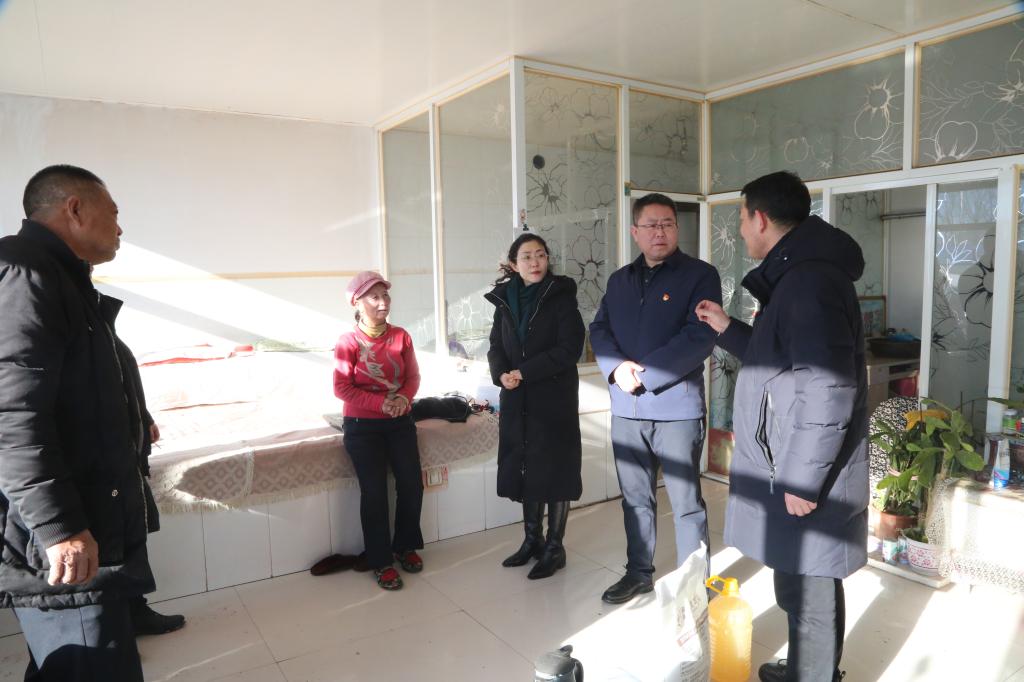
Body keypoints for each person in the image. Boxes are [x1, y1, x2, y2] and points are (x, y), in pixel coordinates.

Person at [695, 171, 868, 682]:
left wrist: (801, 480)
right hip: (792, 459)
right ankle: (804, 669)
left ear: (760, 219)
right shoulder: (795, 278)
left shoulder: (809, 283)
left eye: (741, 218)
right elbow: (779, 359)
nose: (741, 230)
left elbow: (827, 387)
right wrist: (727, 328)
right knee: (797, 578)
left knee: (812, 588)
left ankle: (814, 675)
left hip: (805, 468)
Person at [0, 165, 155, 680]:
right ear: (75, 209)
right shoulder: (28, 277)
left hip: (88, 519)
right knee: (91, 663)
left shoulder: (62, 279)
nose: (120, 228)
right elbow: (13, 418)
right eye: (114, 214)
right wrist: (59, 526)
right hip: (66, 539)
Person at [589, 193, 722, 604]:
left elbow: (700, 336)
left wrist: (642, 375)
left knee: (686, 502)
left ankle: (693, 585)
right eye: (650, 225)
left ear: (677, 229)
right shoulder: (619, 281)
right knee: (635, 499)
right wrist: (616, 369)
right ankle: (638, 573)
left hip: (676, 410)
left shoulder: (700, 275)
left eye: (667, 224)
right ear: (635, 231)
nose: (659, 232)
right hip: (627, 410)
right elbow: (599, 329)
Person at [485, 234, 585, 580]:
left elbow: (569, 349)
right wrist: (501, 374)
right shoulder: (504, 300)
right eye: (526, 256)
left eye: (540, 255)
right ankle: (532, 540)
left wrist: (524, 372)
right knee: (527, 467)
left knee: (556, 469)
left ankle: (555, 548)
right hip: (517, 397)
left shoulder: (561, 297)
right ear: (514, 264)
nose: (535, 262)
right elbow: (495, 346)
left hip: (553, 399)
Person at [334, 271, 424, 591]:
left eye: (385, 295)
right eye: (374, 296)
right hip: (362, 426)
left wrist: (402, 398)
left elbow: (412, 378)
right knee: (374, 493)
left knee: (412, 484)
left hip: (399, 420)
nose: (383, 301)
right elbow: (342, 388)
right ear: (357, 303)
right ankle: (381, 560)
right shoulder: (348, 342)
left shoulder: (401, 336)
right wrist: (380, 404)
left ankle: (405, 546)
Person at [113, 336, 187, 637]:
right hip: (109, 463)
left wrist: (144, 417)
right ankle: (125, 619)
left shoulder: (102, 328)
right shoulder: (84, 330)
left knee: (132, 535)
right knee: (121, 539)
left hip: (125, 457)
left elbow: (124, 385)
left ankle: (134, 612)